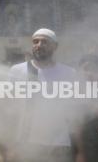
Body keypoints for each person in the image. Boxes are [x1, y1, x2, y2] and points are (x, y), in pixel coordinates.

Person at [8, 28, 83, 162]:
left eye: (44, 42)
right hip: (25, 145)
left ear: (55, 46)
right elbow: (10, 111)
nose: (39, 45)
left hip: (58, 146)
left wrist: (80, 152)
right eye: (35, 41)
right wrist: (10, 146)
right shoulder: (16, 71)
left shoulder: (69, 73)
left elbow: (74, 116)